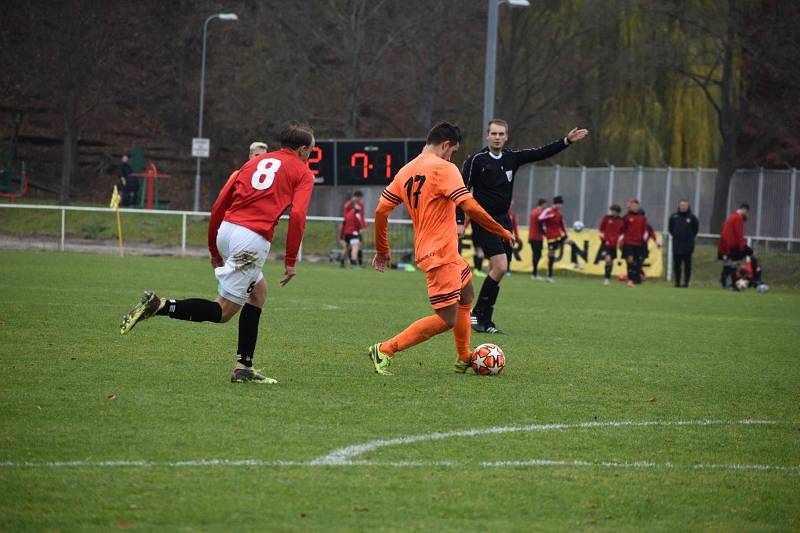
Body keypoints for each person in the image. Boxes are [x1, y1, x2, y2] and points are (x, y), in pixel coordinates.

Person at [119, 123, 316, 384]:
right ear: (302, 150)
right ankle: (160, 306)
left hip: (227, 230)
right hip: (251, 239)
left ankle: (244, 367)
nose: (310, 156)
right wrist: (291, 260)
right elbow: (299, 215)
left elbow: (218, 206)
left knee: (258, 293)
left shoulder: (253, 163)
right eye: (311, 151)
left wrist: (214, 248)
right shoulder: (303, 172)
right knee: (222, 312)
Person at [367, 121, 515, 376]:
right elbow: (469, 206)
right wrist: (500, 230)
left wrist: (382, 249)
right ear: (446, 145)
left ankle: (463, 356)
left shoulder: (405, 171)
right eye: (453, 151)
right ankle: (385, 349)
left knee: (466, 295)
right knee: (447, 318)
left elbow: (381, 210)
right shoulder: (445, 168)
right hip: (440, 254)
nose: (452, 156)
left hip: (441, 251)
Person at [457, 119, 588, 334]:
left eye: (501, 134)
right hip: (483, 219)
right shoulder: (476, 160)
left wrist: (566, 141)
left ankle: (486, 320)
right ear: (487, 136)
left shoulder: (512, 158)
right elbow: (461, 191)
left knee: (496, 271)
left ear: (506, 137)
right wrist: (459, 221)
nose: (497, 137)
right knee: (500, 267)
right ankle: (477, 314)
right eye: (494, 133)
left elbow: (540, 153)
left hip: (504, 221)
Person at [538, 196, 572, 283]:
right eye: (560, 204)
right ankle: (549, 276)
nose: (560, 206)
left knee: (571, 242)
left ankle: (575, 262)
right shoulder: (548, 211)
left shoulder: (559, 214)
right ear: (555, 203)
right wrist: (543, 232)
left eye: (561, 204)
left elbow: (562, 225)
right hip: (551, 238)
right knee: (551, 256)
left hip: (559, 236)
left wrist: (567, 235)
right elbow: (540, 219)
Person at [718, 203, 751, 289]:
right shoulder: (738, 218)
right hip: (732, 246)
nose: (747, 214)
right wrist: (742, 247)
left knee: (728, 264)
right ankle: (734, 283)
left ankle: (725, 280)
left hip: (725, 245)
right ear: (744, 210)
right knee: (734, 264)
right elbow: (738, 234)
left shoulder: (731, 217)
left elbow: (723, 230)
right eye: (747, 212)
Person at [668, 199, 699, 287]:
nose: (683, 207)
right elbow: (671, 229)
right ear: (679, 206)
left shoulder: (692, 218)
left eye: (685, 205)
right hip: (677, 245)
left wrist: (689, 238)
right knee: (677, 265)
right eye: (682, 205)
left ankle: (686, 282)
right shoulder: (674, 217)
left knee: (687, 266)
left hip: (688, 246)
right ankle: (677, 282)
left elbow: (695, 230)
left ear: (688, 206)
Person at [618, 198, 648, 288]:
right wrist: (620, 241)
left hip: (639, 243)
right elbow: (622, 230)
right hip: (628, 242)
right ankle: (630, 280)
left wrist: (644, 241)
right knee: (630, 260)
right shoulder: (626, 218)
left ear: (638, 207)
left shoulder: (642, 218)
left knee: (637, 262)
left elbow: (645, 231)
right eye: (632, 206)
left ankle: (637, 278)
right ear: (629, 207)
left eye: (636, 206)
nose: (634, 208)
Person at [598, 204, 624, 286]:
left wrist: (620, 241)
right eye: (612, 210)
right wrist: (603, 239)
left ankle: (608, 278)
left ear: (618, 212)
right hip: (606, 243)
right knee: (608, 259)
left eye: (614, 211)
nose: (613, 212)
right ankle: (606, 279)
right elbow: (601, 229)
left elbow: (622, 232)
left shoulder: (621, 221)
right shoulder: (607, 218)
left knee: (611, 261)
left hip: (614, 244)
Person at [340, 190, 367, 267]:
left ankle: (343, 262)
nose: (361, 199)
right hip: (353, 230)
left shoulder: (358, 205)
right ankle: (354, 262)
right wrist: (362, 227)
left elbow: (361, 217)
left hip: (347, 228)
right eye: (360, 198)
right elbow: (359, 218)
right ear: (357, 197)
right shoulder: (353, 206)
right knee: (355, 246)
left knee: (349, 246)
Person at [528, 198, 548, 280]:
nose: (546, 206)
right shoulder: (540, 213)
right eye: (545, 204)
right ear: (542, 204)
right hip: (537, 237)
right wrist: (545, 234)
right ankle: (534, 274)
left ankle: (534, 273)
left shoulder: (533, 211)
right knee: (537, 255)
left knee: (535, 255)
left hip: (531, 236)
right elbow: (540, 226)